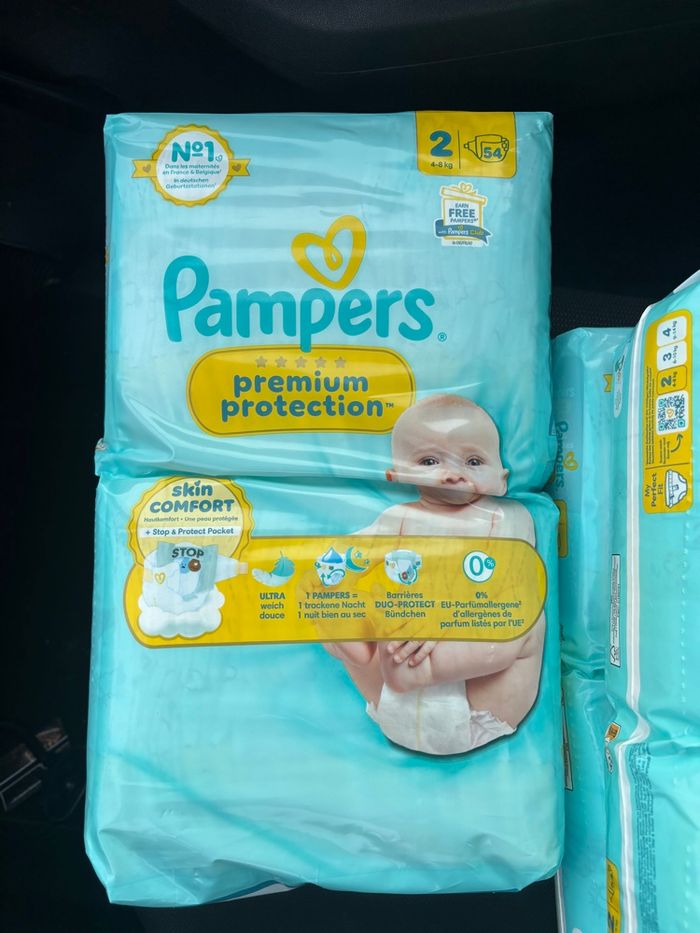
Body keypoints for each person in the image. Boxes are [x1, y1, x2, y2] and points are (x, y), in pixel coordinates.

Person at [324, 394, 545, 755]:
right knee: (338, 595)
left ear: (501, 479)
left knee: (523, 617)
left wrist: (444, 618)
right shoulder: (396, 519)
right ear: (397, 475)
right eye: (429, 461)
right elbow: (349, 554)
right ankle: (354, 647)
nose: (453, 473)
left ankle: (422, 670)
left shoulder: (507, 517)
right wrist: (330, 579)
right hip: (391, 686)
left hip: (482, 702)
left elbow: (509, 577)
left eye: (474, 461)